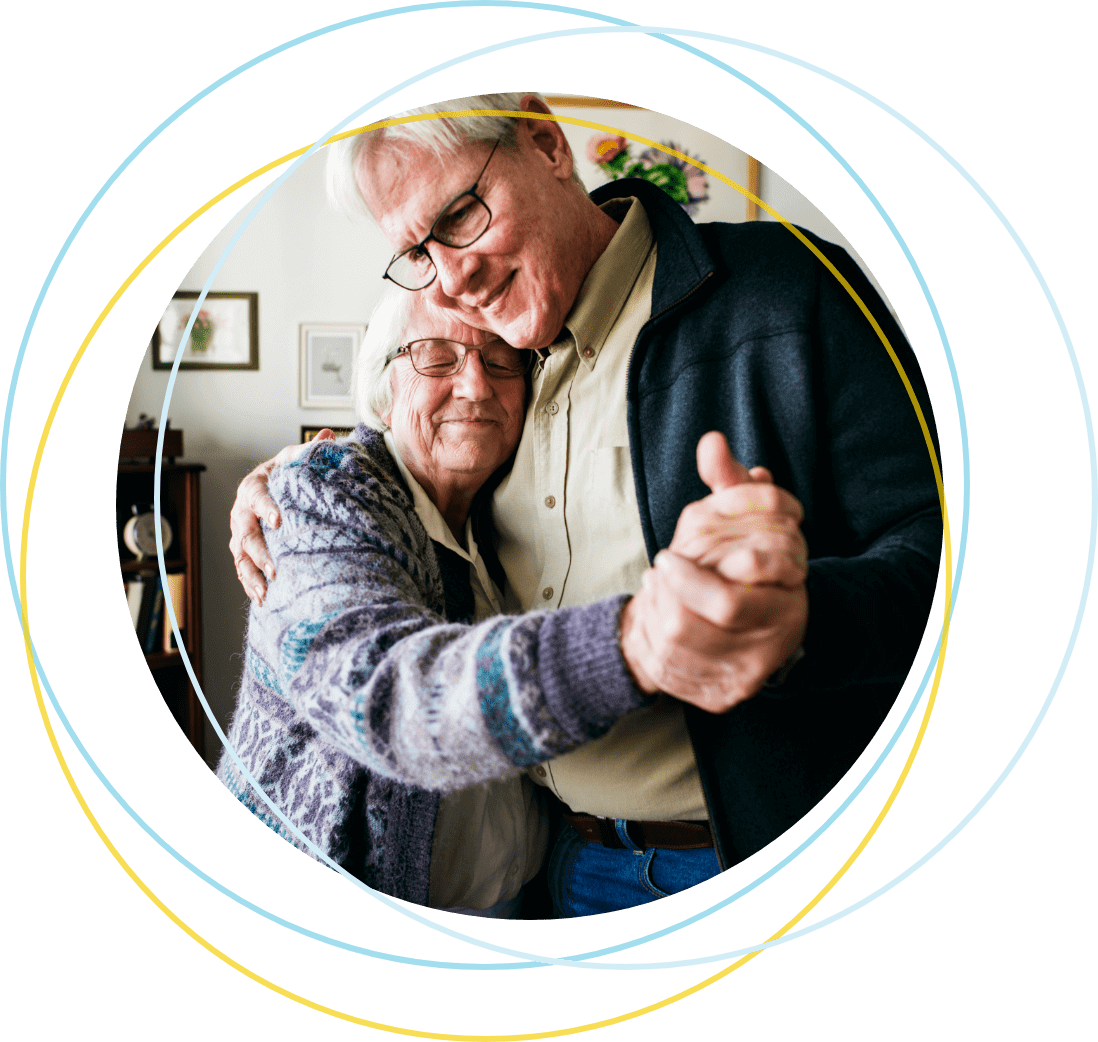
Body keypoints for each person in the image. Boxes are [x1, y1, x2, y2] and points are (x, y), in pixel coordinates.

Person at [230, 93, 941, 917]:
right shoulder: (501, 368)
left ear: (545, 143)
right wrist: (298, 474)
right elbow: (403, 464)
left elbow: (940, 553)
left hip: (746, 857)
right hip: (551, 871)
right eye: (416, 252)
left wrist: (801, 618)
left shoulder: (788, 290)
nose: (453, 277)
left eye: (460, 214)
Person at [217, 285, 803, 917]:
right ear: (384, 386)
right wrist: (635, 641)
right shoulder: (317, 496)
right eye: (435, 357)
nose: (474, 386)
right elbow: (379, 695)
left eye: (501, 360)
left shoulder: (504, 508)